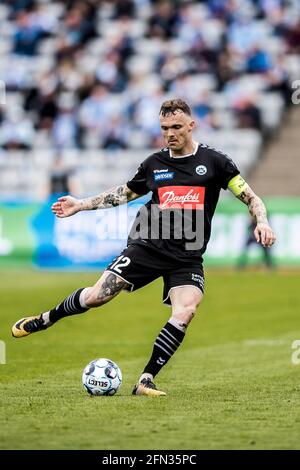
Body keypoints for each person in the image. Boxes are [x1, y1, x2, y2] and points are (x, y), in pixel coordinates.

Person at [12, 99, 276, 396]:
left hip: (187, 255)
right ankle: (47, 318)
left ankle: (146, 379)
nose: (170, 133)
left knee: (186, 310)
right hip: (147, 245)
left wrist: (262, 222)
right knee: (97, 296)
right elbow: (123, 194)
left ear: (191, 125)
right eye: (164, 128)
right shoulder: (154, 164)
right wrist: (81, 204)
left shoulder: (215, 162)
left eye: (176, 127)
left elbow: (252, 198)